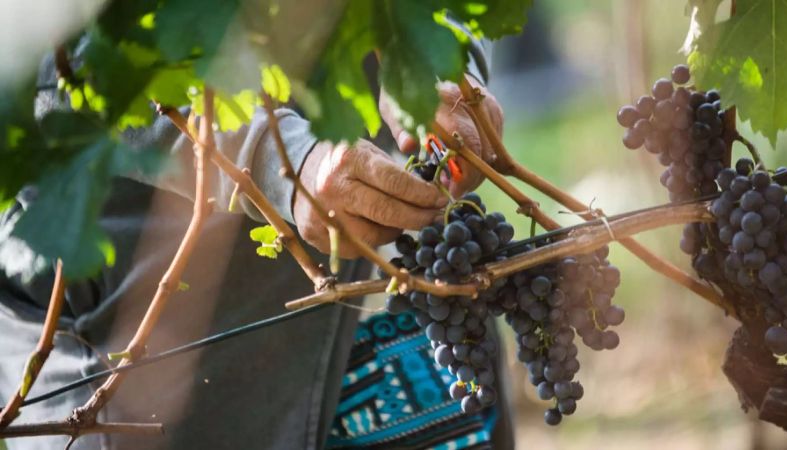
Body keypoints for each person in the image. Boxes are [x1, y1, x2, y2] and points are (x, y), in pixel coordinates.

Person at [0, 25, 510, 450]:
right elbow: (50, 50)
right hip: (127, 301)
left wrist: (434, 54)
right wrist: (270, 153)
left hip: (368, 252)